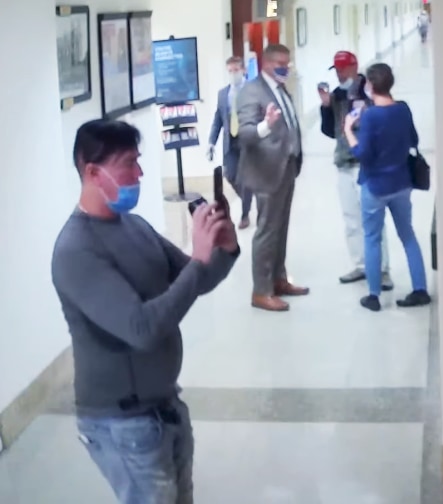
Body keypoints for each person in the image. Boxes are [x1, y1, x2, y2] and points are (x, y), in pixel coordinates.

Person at [51, 119, 240, 503]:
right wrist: (200, 261)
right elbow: (142, 329)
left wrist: (225, 248)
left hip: (164, 404)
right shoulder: (76, 250)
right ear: (92, 172)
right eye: (128, 164)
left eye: (139, 162)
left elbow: (196, 281)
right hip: (122, 423)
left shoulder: (134, 226)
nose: (139, 174)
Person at [343, 63, 432, 312]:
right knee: (408, 235)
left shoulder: (370, 116)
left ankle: (373, 295)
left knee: (372, 239)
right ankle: (420, 289)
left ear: (370, 86)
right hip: (402, 183)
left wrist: (349, 130)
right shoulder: (403, 109)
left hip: (375, 186)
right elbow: (413, 140)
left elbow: (363, 153)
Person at [236, 43, 308, 312]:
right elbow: (245, 134)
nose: (285, 68)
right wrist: (265, 125)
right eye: (280, 63)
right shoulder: (250, 91)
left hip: (286, 166)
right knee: (267, 231)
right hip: (266, 171)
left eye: (287, 63)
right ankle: (261, 291)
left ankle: (279, 279)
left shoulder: (278, 88)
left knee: (281, 228)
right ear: (265, 63)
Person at [319, 50, 394, 290]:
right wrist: (325, 107)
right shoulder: (337, 96)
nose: (340, 74)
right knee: (351, 219)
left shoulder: (370, 91)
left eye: (343, 69)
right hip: (344, 163)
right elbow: (331, 131)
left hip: (367, 165)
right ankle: (361, 265)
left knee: (373, 219)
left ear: (354, 67)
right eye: (337, 70)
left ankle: (382, 270)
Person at [208, 56, 254, 230]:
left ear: (243, 70)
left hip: (248, 142)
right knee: (230, 175)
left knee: (246, 179)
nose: (233, 74)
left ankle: (245, 215)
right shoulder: (223, 94)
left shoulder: (252, 90)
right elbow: (218, 120)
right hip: (230, 142)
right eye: (230, 71)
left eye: (236, 70)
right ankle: (247, 198)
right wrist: (211, 142)